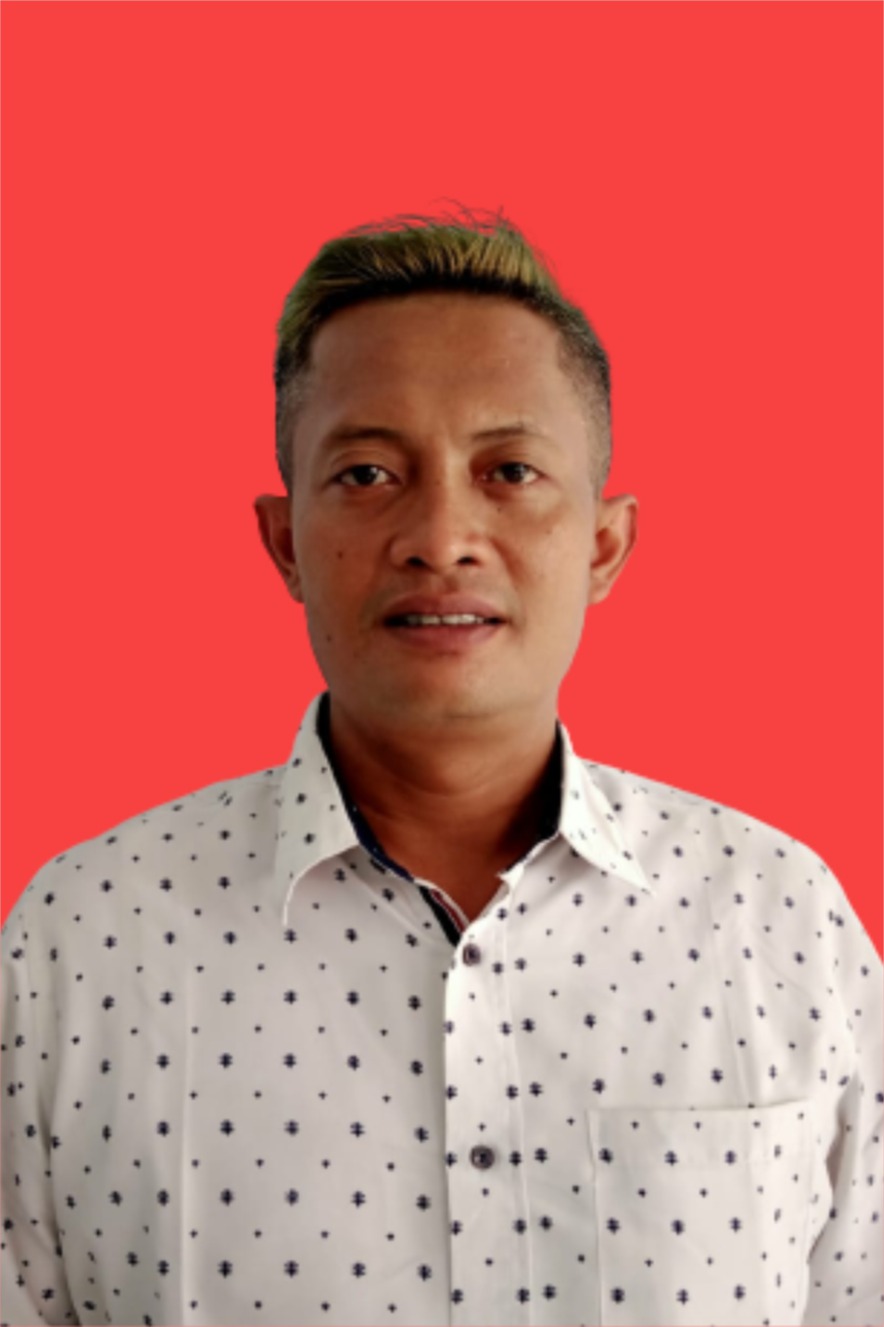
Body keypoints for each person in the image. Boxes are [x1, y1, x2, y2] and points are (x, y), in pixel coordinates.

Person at [2, 210, 880, 1327]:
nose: (441, 535)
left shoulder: (774, 918)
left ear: (603, 543)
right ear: (284, 540)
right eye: (368, 472)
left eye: (509, 469)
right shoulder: (87, 939)